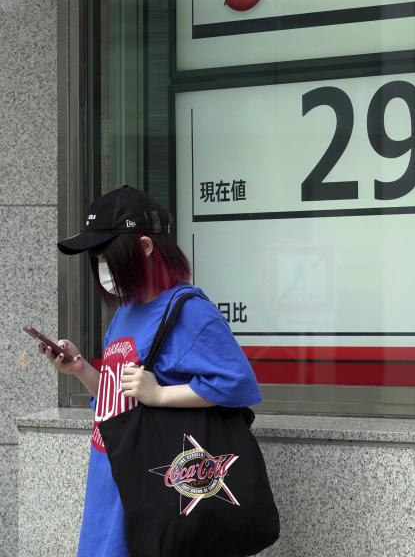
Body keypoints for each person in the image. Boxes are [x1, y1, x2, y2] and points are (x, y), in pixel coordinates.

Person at [40, 185, 262, 557]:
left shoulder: (189, 311)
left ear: (144, 248)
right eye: (96, 258)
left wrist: (160, 393)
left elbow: (237, 384)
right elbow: (117, 400)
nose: (101, 267)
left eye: (106, 255)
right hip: (108, 483)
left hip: (151, 492)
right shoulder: (126, 312)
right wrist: (80, 368)